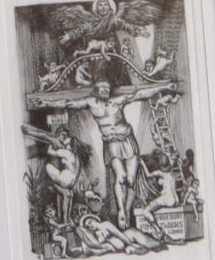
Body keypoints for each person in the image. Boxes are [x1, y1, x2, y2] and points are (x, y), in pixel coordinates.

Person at [30, 78, 174, 230]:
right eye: (102, 87)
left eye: (107, 87)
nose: (105, 90)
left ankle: (127, 210)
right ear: (96, 90)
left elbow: (140, 94)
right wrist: (46, 103)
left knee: (131, 180)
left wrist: (163, 86)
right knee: (121, 177)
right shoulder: (91, 103)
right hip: (111, 143)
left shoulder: (117, 101)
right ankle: (121, 210)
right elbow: (68, 103)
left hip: (127, 139)